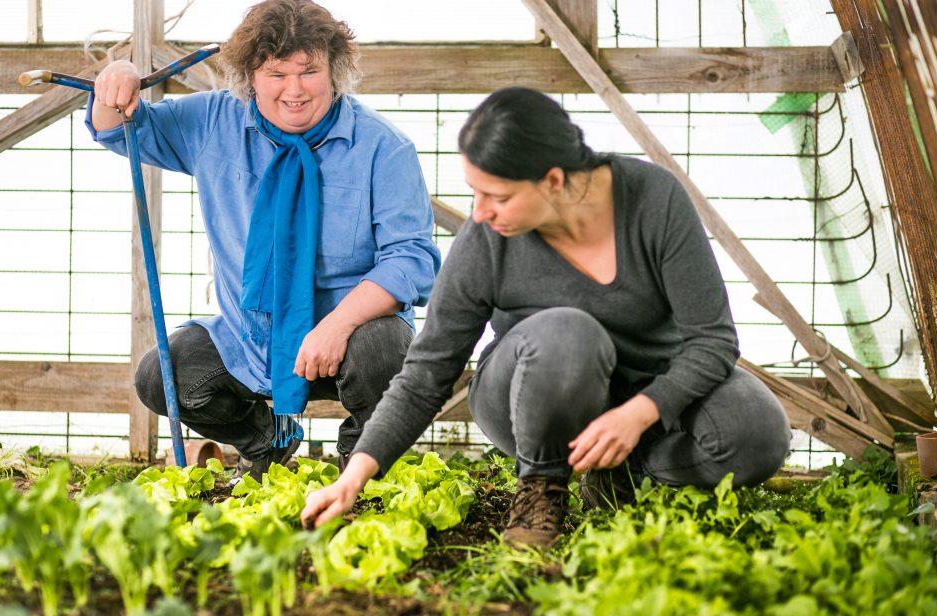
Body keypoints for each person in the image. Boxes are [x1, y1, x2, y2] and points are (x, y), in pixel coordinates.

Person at [301, 87, 790, 547]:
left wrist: (639, 414)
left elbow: (713, 342)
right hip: (531, 391)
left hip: (646, 385)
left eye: (499, 196)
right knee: (568, 330)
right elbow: (426, 372)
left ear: (554, 180)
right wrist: (354, 477)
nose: (481, 212)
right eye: (475, 192)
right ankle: (541, 486)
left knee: (755, 433)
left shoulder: (653, 200)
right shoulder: (486, 239)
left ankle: (622, 473)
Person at [87, 0, 440, 482]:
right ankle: (268, 441)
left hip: (351, 340)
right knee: (161, 376)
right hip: (250, 340)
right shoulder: (215, 121)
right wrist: (117, 79)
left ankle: (361, 469)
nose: (294, 90)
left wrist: (336, 327)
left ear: (334, 72)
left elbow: (412, 260)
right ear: (250, 77)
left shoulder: (385, 148)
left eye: (309, 71)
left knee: (387, 351)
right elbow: (121, 132)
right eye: (276, 74)